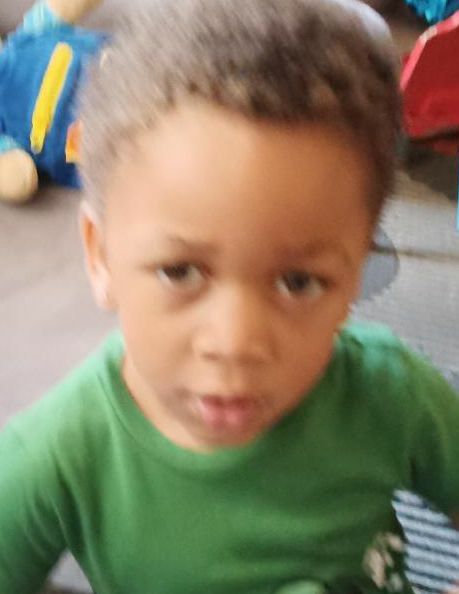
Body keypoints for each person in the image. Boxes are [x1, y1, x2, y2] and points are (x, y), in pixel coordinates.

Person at [1, 0, 458, 592]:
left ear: (357, 268)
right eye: (180, 272)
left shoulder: (394, 394)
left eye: (298, 282)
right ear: (101, 255)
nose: (236, 343)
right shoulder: (60, 454)